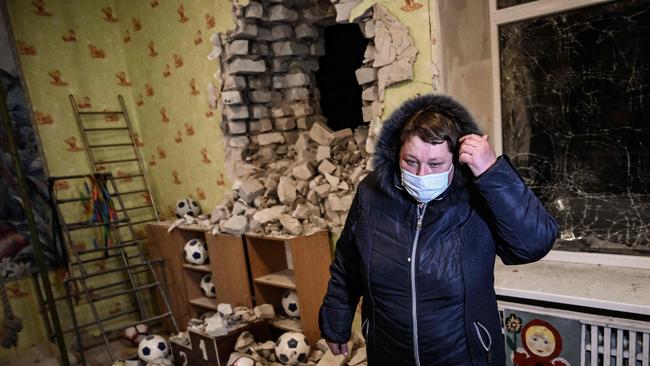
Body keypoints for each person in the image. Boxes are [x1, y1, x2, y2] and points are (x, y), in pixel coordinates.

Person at [319, 94, 558, 366]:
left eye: (435, 164)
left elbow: (534, 244)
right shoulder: (371, 192)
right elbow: (348, 262)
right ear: (396, 152)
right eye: (410, 161)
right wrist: (335, 319)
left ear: (455, 160)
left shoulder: (477, 193)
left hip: (465, 356)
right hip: (389, 352)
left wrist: (492, 171)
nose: (421, 175)